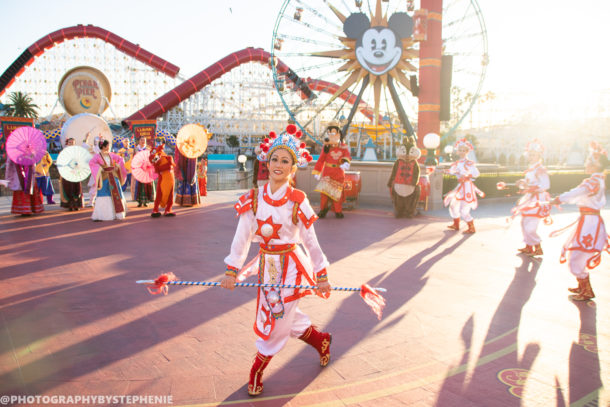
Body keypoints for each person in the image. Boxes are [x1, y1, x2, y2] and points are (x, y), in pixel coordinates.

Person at [221, 124, 331, 397]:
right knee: (280, 312)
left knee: (278, 314)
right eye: (274, 159)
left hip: (292, 265)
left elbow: (311, 240)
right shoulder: (254, 198)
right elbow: (242, 236)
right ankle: (321, 340)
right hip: (268, 265)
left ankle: (257, 367)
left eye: (285, 161)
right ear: (266, 163)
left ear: (293, 168)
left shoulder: (297, 200)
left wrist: (322, 274)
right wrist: (232, 270)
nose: (278, 165)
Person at [550, 141, 609, 301]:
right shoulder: (596, 180)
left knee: (577, 255)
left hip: (589, 223)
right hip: (588, 221)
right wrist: (560, 199)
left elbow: (577, 192)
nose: (587, 162)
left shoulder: (594, 181)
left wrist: (558, 199)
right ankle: (583, 285)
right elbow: (579, 194)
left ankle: (586, 289)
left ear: (597, 165)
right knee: (578, 253)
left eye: (591, 160)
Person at [512, 139, 551, 256]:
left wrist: (532, 187)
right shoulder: (531, 168)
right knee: (524, 222)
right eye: (530, 154)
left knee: (531, 224)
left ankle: (538, 247)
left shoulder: (540, 169)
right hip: (529, 198)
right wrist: (522, 182)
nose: (531, 157)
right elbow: (529, 182)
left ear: (539, 156)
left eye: (534, 155)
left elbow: (546, 185)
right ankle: (529, 247)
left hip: (537, 199)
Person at [444, 138, 484, 233]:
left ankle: (471, 227)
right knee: (453, 205)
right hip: (460, 187)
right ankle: (456, 224)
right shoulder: (458, 163)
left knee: (464, 209)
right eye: (460, 150)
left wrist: (466, 176)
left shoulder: (468, 163)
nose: (462, 152)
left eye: (464, 150)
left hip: (467, 187)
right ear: (457, 151)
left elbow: (476, 173)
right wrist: (441, 170)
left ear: (467, 152)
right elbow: (451, 171)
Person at [312, 124, 351, 218]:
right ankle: (323, 210)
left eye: (333, 133)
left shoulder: (343, 147)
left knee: (337, 193)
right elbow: (321, 160)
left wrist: (346, 162)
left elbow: (347, 156)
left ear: (338, 135)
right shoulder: (326, 147)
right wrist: (317, 171)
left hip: (338, 172)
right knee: (324, 193)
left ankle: (338, 211)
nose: (331, 135)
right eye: (329, 133)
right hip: (327, 172)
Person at [89, 140, 127, 221]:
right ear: (103, 146)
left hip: (113, 175)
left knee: (116, 192)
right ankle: (104, 215)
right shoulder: (97, 156)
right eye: (108, 145)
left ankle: (118, 214)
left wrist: (118, 165)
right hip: (104, 178)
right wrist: (99, 168)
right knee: (104, 193)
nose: (109, 147)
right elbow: (91, 163)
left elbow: (121, 159)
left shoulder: (111, 154)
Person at [59, 138, 84, 211]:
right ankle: (69, 205)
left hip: (75, 172)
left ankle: (77, 205)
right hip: (67, 172)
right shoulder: (63, 152)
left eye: (72, 142)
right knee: (68, 188)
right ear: (67, 143)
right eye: (70, 142)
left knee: (77, 188)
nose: (71, 144)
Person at [132, 137, 155, 207]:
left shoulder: (148, 149)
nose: (143, 141)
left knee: (146, 184)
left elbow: (151, 158)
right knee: (139, 185)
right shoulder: (136, 149)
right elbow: (134, 158)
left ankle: (146, 201)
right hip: (139, 169)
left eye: (144, 140)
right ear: (138, 141)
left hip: (147, 169)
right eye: (141, 140)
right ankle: (139, 201)